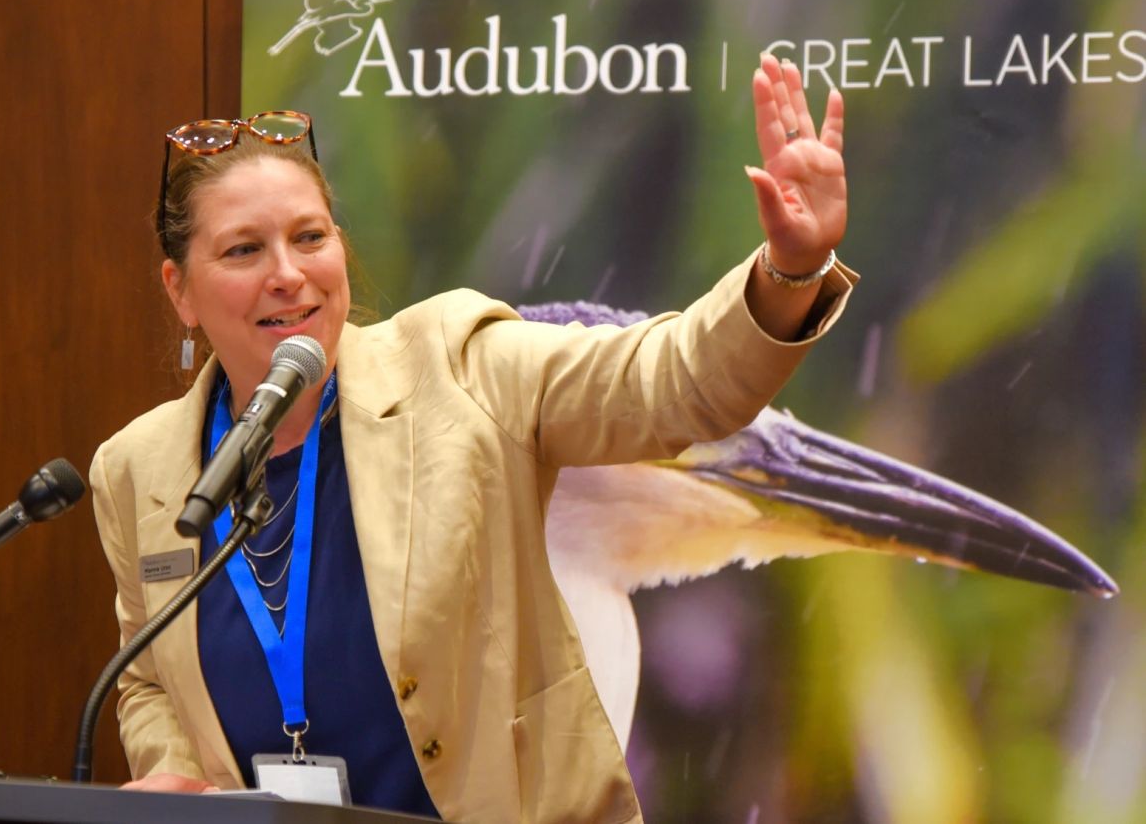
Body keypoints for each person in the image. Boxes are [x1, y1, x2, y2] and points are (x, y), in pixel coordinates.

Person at [90, 53, 856, 822]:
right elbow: (148, 675)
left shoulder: (461, 366)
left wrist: (789, 269)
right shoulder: (137, 468)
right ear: (180, 290)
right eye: (243, 250)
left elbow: (673, 383)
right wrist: (178, 783)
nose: (288, 273)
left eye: (310, 237)